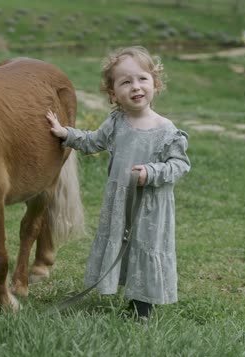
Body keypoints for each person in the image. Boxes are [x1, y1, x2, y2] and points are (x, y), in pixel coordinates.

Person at [45, 46, 190, 320]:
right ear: (113, 94)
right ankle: (121, 289)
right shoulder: (117, 122)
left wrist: (152, 172)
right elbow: (93, 142)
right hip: (120, 202)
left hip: (150, 208)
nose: (135, 87)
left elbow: (180, 165)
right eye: (125, 82)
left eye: (142, 79)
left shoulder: (166, 130)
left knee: (144, 246)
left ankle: (141, 309)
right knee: (123, 243)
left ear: (155, 84)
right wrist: (66, 133)